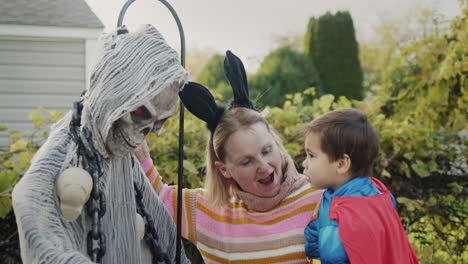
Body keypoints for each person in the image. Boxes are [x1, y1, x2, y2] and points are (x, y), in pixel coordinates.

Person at [12, 25, 190, 264]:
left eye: (160, 122)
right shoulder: (69, 148)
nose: (148, 131)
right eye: (140, 112)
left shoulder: (123, 156)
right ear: (113, 95)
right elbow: (31, 200)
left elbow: (160, 223)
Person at [135, 51, 324, 263]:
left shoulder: (319, 198)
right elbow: (157, 196)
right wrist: (136, 140)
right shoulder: (208, 210)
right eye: (246, 161)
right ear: (224, 169)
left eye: (266, 150)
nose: (263, 166)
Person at [301, 108, 419, 264]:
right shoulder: (373, 192)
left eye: (311, 155)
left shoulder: (347, 215)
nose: (304, 163)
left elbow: (334, 257)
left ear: (341, 164)